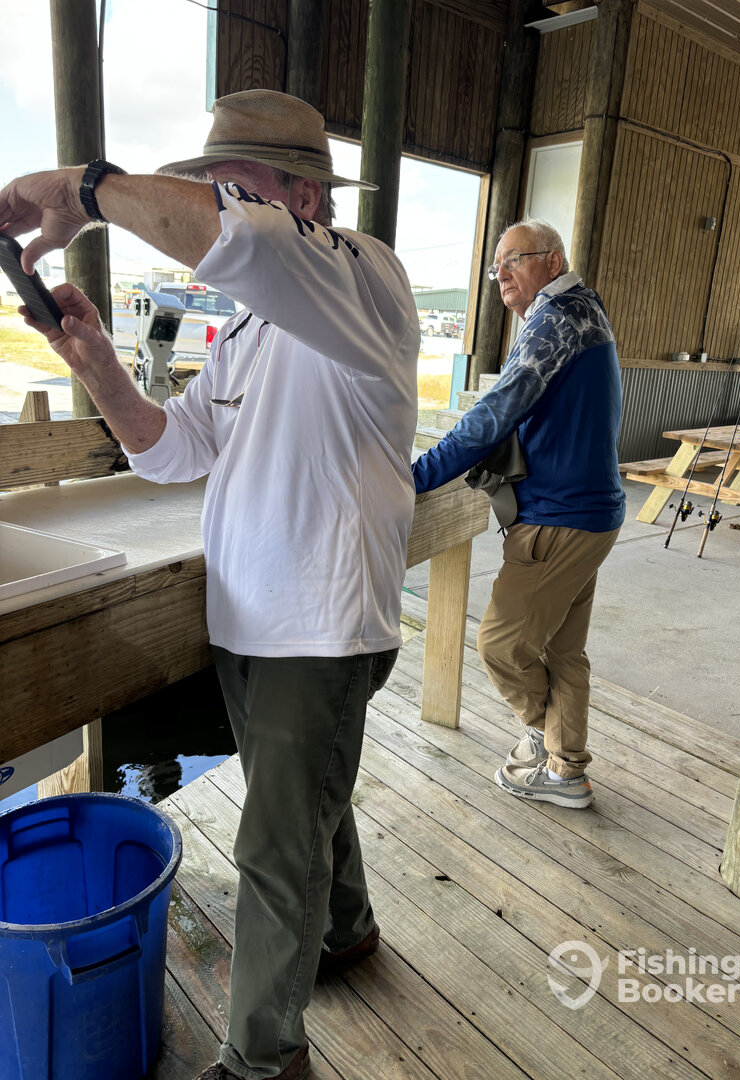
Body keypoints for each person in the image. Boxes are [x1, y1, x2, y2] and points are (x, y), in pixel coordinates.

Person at [0, 89, 420, 1080]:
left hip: (321, 623)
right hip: (247, 616)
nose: (213, 204)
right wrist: (97, 364)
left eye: (235, 187)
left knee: (274, 845)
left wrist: (82, 190)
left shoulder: (369, 277)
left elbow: (246, 242)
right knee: (301, 798)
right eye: (210, 186)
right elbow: (172, 451)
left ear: (307, 198)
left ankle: (264, 1059)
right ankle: (347, 929)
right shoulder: (243, 332)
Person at [412, 219, 625, 810]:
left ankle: (550, 745)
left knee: (500, 644)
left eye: (515, 259)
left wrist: (415, 477)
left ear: (553, 262)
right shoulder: (585, 310)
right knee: (562, 651)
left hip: (559, 519)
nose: (502, 273)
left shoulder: (555, 320)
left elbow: (491, 417)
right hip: (594, 513)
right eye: (496, 265)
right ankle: (565, 768)